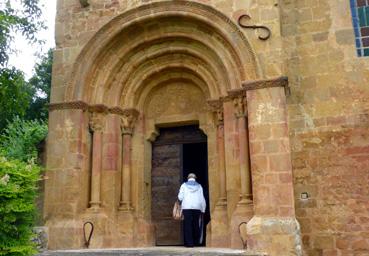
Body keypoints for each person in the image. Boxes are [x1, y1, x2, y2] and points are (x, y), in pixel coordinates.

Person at [178, 173, 206, 247]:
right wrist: (203, 209)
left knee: (187, 225)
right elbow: (202, 198)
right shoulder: (199, 186)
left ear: (188, 178)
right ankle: (196, 242)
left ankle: (189, 243)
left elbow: (180, 197)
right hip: (197, 207)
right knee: (196, 224)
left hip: (186, 207)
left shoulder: (183, 185)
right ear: (195, 178)